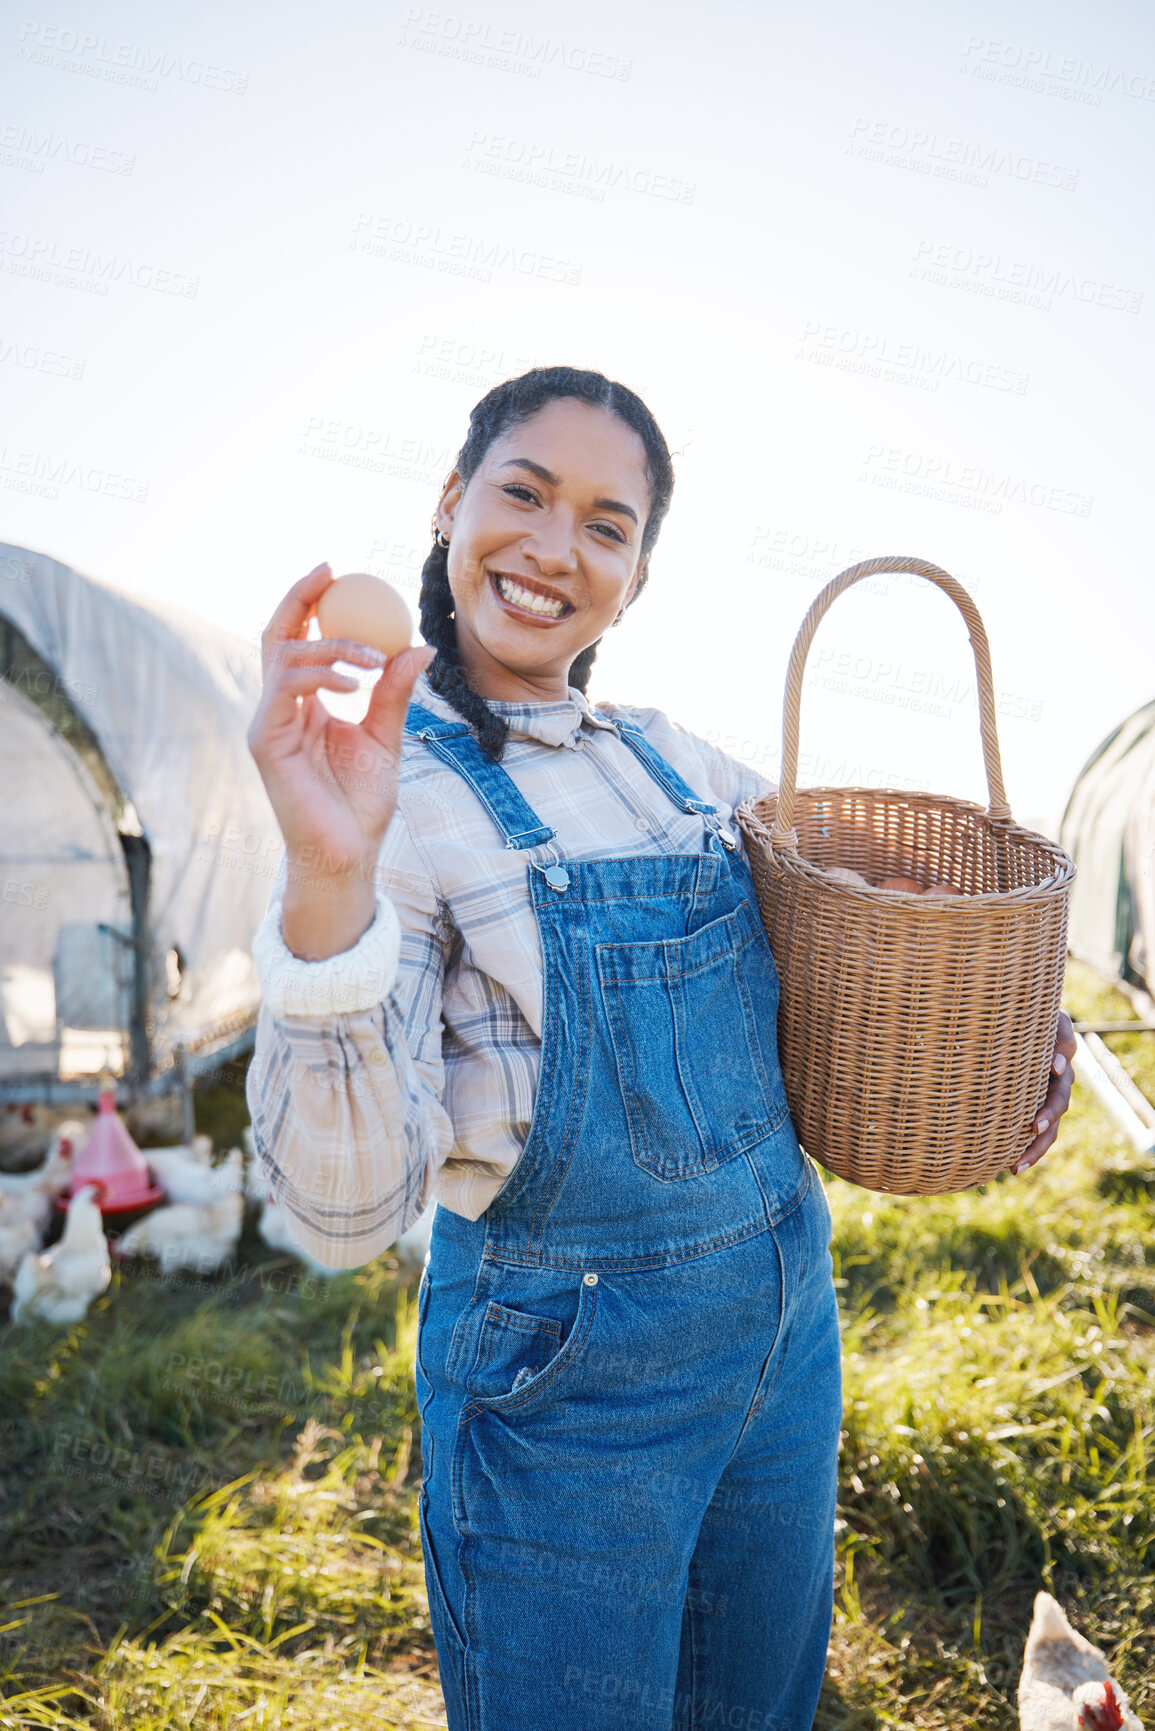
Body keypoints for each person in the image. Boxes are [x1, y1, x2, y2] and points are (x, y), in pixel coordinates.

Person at [244, 365, 1076, 1731]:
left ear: (635, 571)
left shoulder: (679, 765)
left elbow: (891, 916)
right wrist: (330, 877)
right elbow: (342, 1218)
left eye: (608, 523)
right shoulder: (389, 791)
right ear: (452, 504)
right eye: (523, 492)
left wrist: (1003, 1006)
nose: (556, 547)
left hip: (783, 1335)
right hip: (571, 1388)